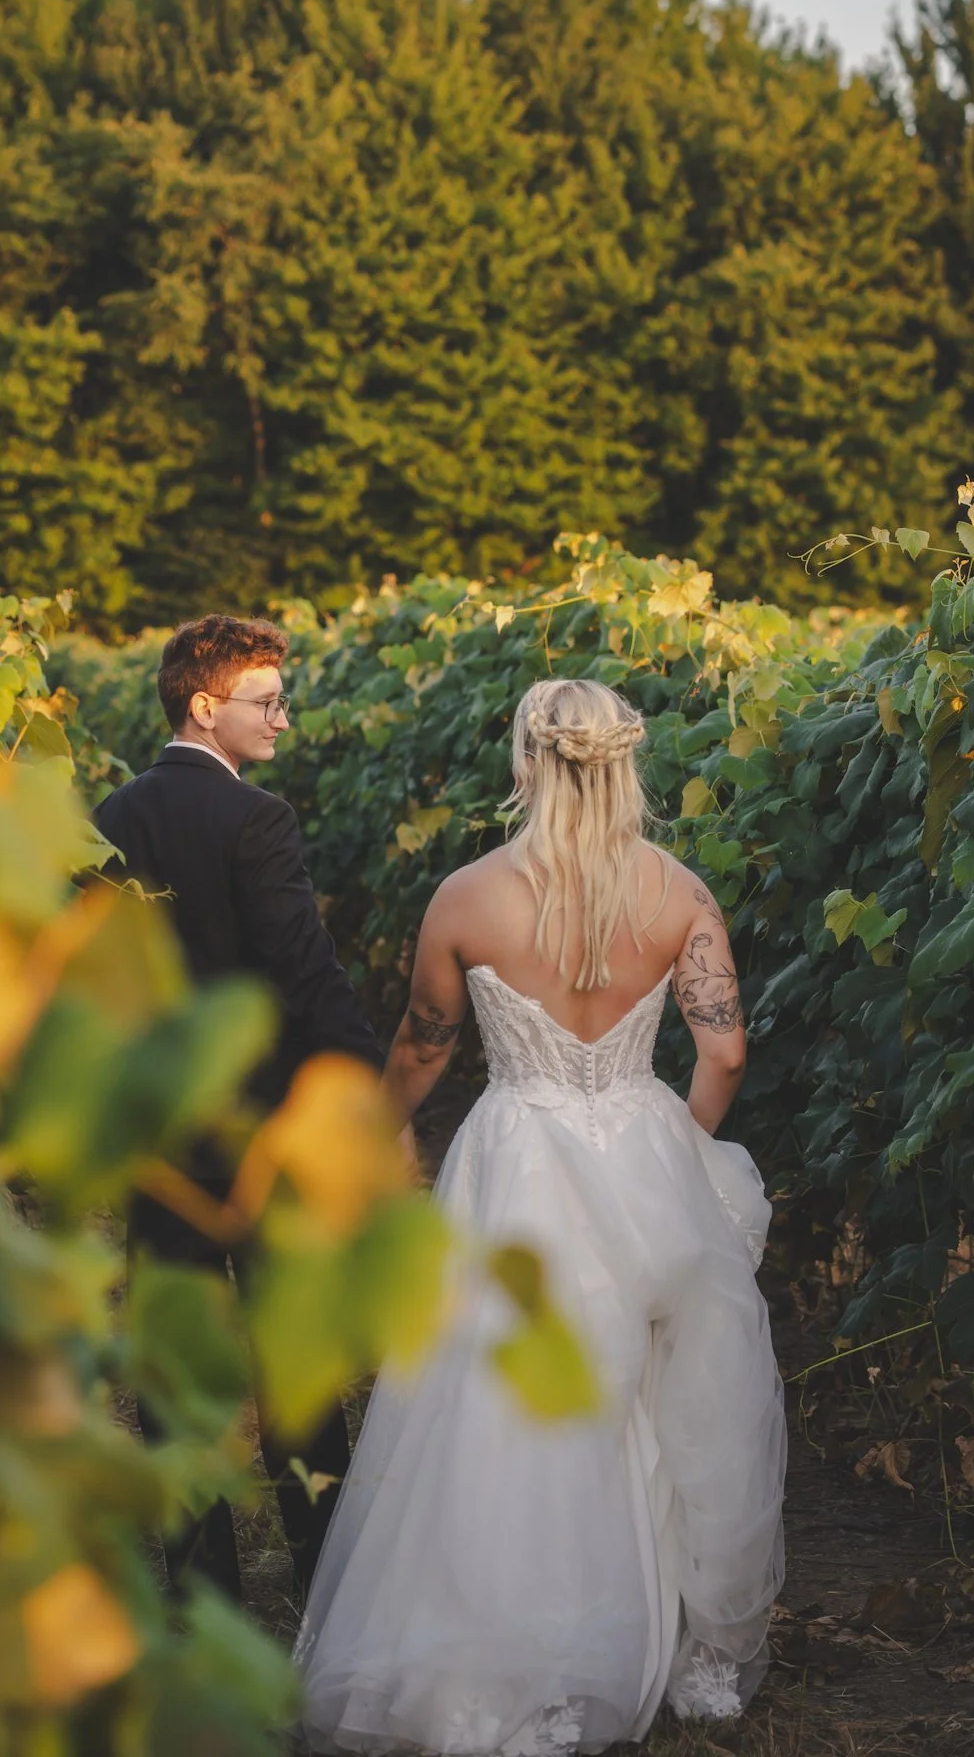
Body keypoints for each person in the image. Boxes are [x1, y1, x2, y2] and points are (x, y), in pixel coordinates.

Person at [295, 677, 786, 1752]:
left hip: (516, 1158)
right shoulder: (678, 892)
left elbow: (427, 1044)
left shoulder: (468, 895)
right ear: (624, 762)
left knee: (500, 1394)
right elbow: (726, 1050)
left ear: (526, 759)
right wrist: (682, 1157)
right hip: (642, 1145)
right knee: (651, 1396)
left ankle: (501, 1637)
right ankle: (652, 1636)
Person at [92, 614, 381, 1603]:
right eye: (266, 701)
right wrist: (362, 1082)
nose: (283, 720)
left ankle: (202, 1590)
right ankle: (327, 1578)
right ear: (204, 703)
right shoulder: (257, 819)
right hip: (262, 1131)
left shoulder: (110, 817)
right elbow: (304, 969)